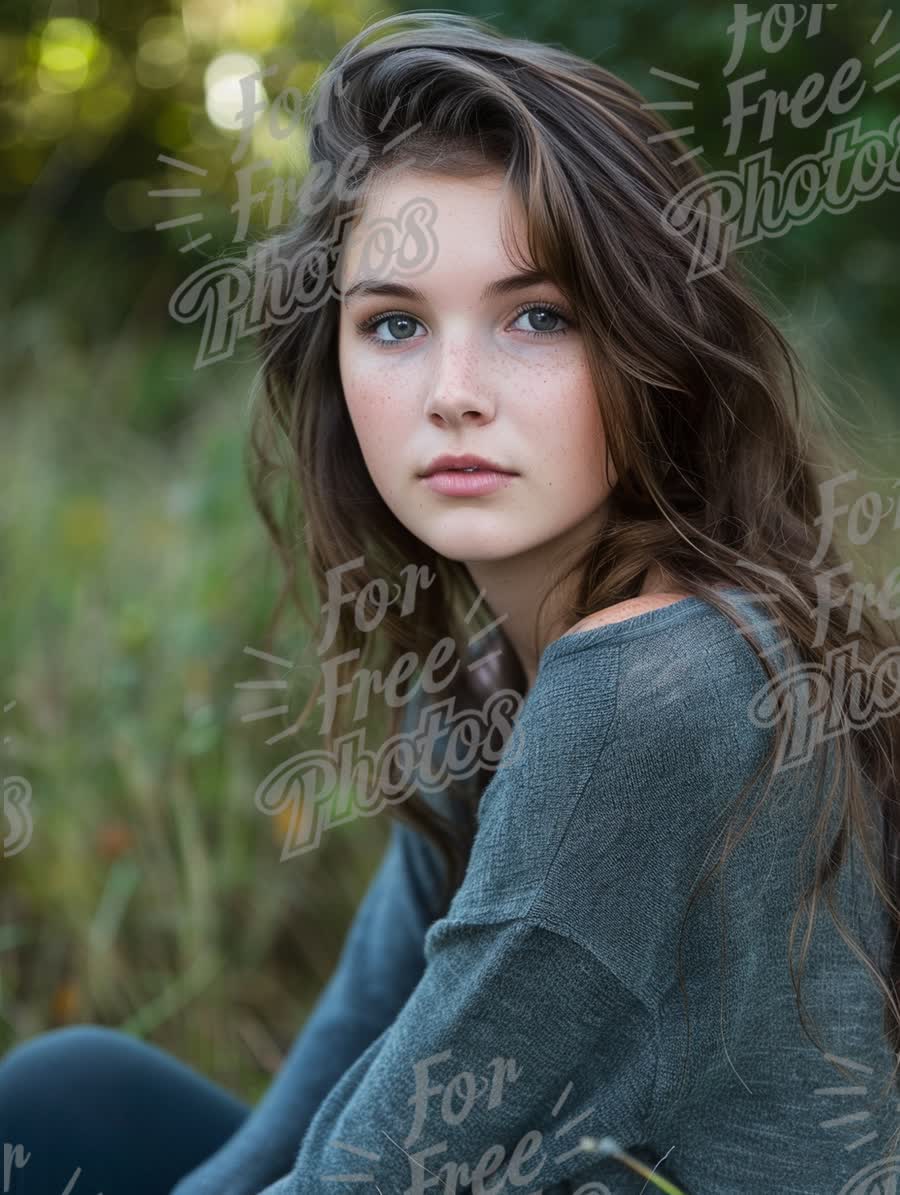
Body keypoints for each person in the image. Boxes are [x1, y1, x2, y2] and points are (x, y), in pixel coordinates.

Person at [2, 9, 899, 1194]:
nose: (455, 393)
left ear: (653, 345)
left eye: (538, 316)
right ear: (334, 367)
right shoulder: (491, 684)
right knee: (69, 1096)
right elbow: (332, 1087)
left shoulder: (656, 692)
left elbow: (363, 1179)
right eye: (393, 324)